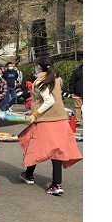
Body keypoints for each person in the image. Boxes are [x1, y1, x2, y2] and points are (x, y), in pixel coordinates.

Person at [19, 56, 82, 196]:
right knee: (56, 152)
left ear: (39, 66)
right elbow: (52, 100)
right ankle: (56, 184)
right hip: (60, 120)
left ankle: (29, 175)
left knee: (33, 147)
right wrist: (33, 110)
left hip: (45, 121)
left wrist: (35, 114)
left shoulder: (40, 81)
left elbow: (49, 101)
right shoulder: (55, 79)